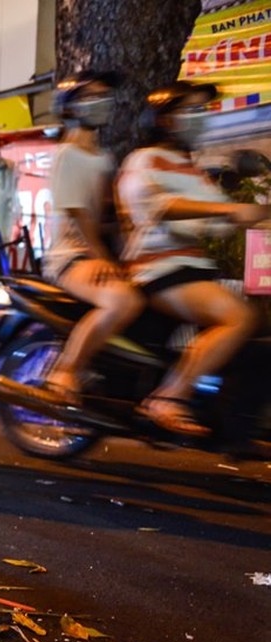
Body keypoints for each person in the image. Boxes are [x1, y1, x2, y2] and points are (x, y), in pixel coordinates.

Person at [116, 81, 269, 436]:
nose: (203, 118)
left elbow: (218, 222)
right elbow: (156, 207)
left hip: (196, 270)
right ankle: (170, 396)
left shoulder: (192, 169)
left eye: (205, 110)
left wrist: (251, 212)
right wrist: (226, 211)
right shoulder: (145, 159)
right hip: (162, 269)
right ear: (167, 120)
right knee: (237, 318)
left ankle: (234, 421)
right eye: (194, 110)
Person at [33, 72, 145, 405]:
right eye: (91, 97)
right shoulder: (67, 154)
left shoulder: (104, 156)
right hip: (71, 257)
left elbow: (107, 213)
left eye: (105, 96)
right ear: (69, 108)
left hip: (98, 251)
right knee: (124, 301)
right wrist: (101, 257)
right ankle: (65, 370)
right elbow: (79, 215)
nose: (102, 103)